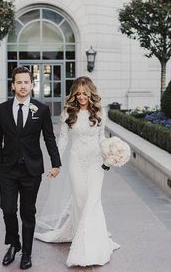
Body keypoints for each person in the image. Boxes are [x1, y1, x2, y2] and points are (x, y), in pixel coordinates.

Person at [35, 76, 120, 267]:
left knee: (93, 199)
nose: (81, 97)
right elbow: (63, 139)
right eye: (78, 94)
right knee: (80, 199)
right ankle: (81, 234)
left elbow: (101, 137)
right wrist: (56, 163)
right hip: (75, 160)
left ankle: (91, 243)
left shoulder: (100, 111)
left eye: (85, 93)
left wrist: (110, 155)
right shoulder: (68, 112)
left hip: (96, 161)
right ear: (74, 94)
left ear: (91, 93)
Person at [0, 66, 61, 270]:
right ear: (13, 85)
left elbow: (49, 137)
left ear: (32, 85)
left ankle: (27, 253)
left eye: (26, 82)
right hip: (7, 169)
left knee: (28, 213)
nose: (23, 86)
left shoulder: (41, 109)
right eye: (19, 82)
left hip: (31, 170)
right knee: (8, 209)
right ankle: (14, 244)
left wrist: (56, 163)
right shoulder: (1, 109)